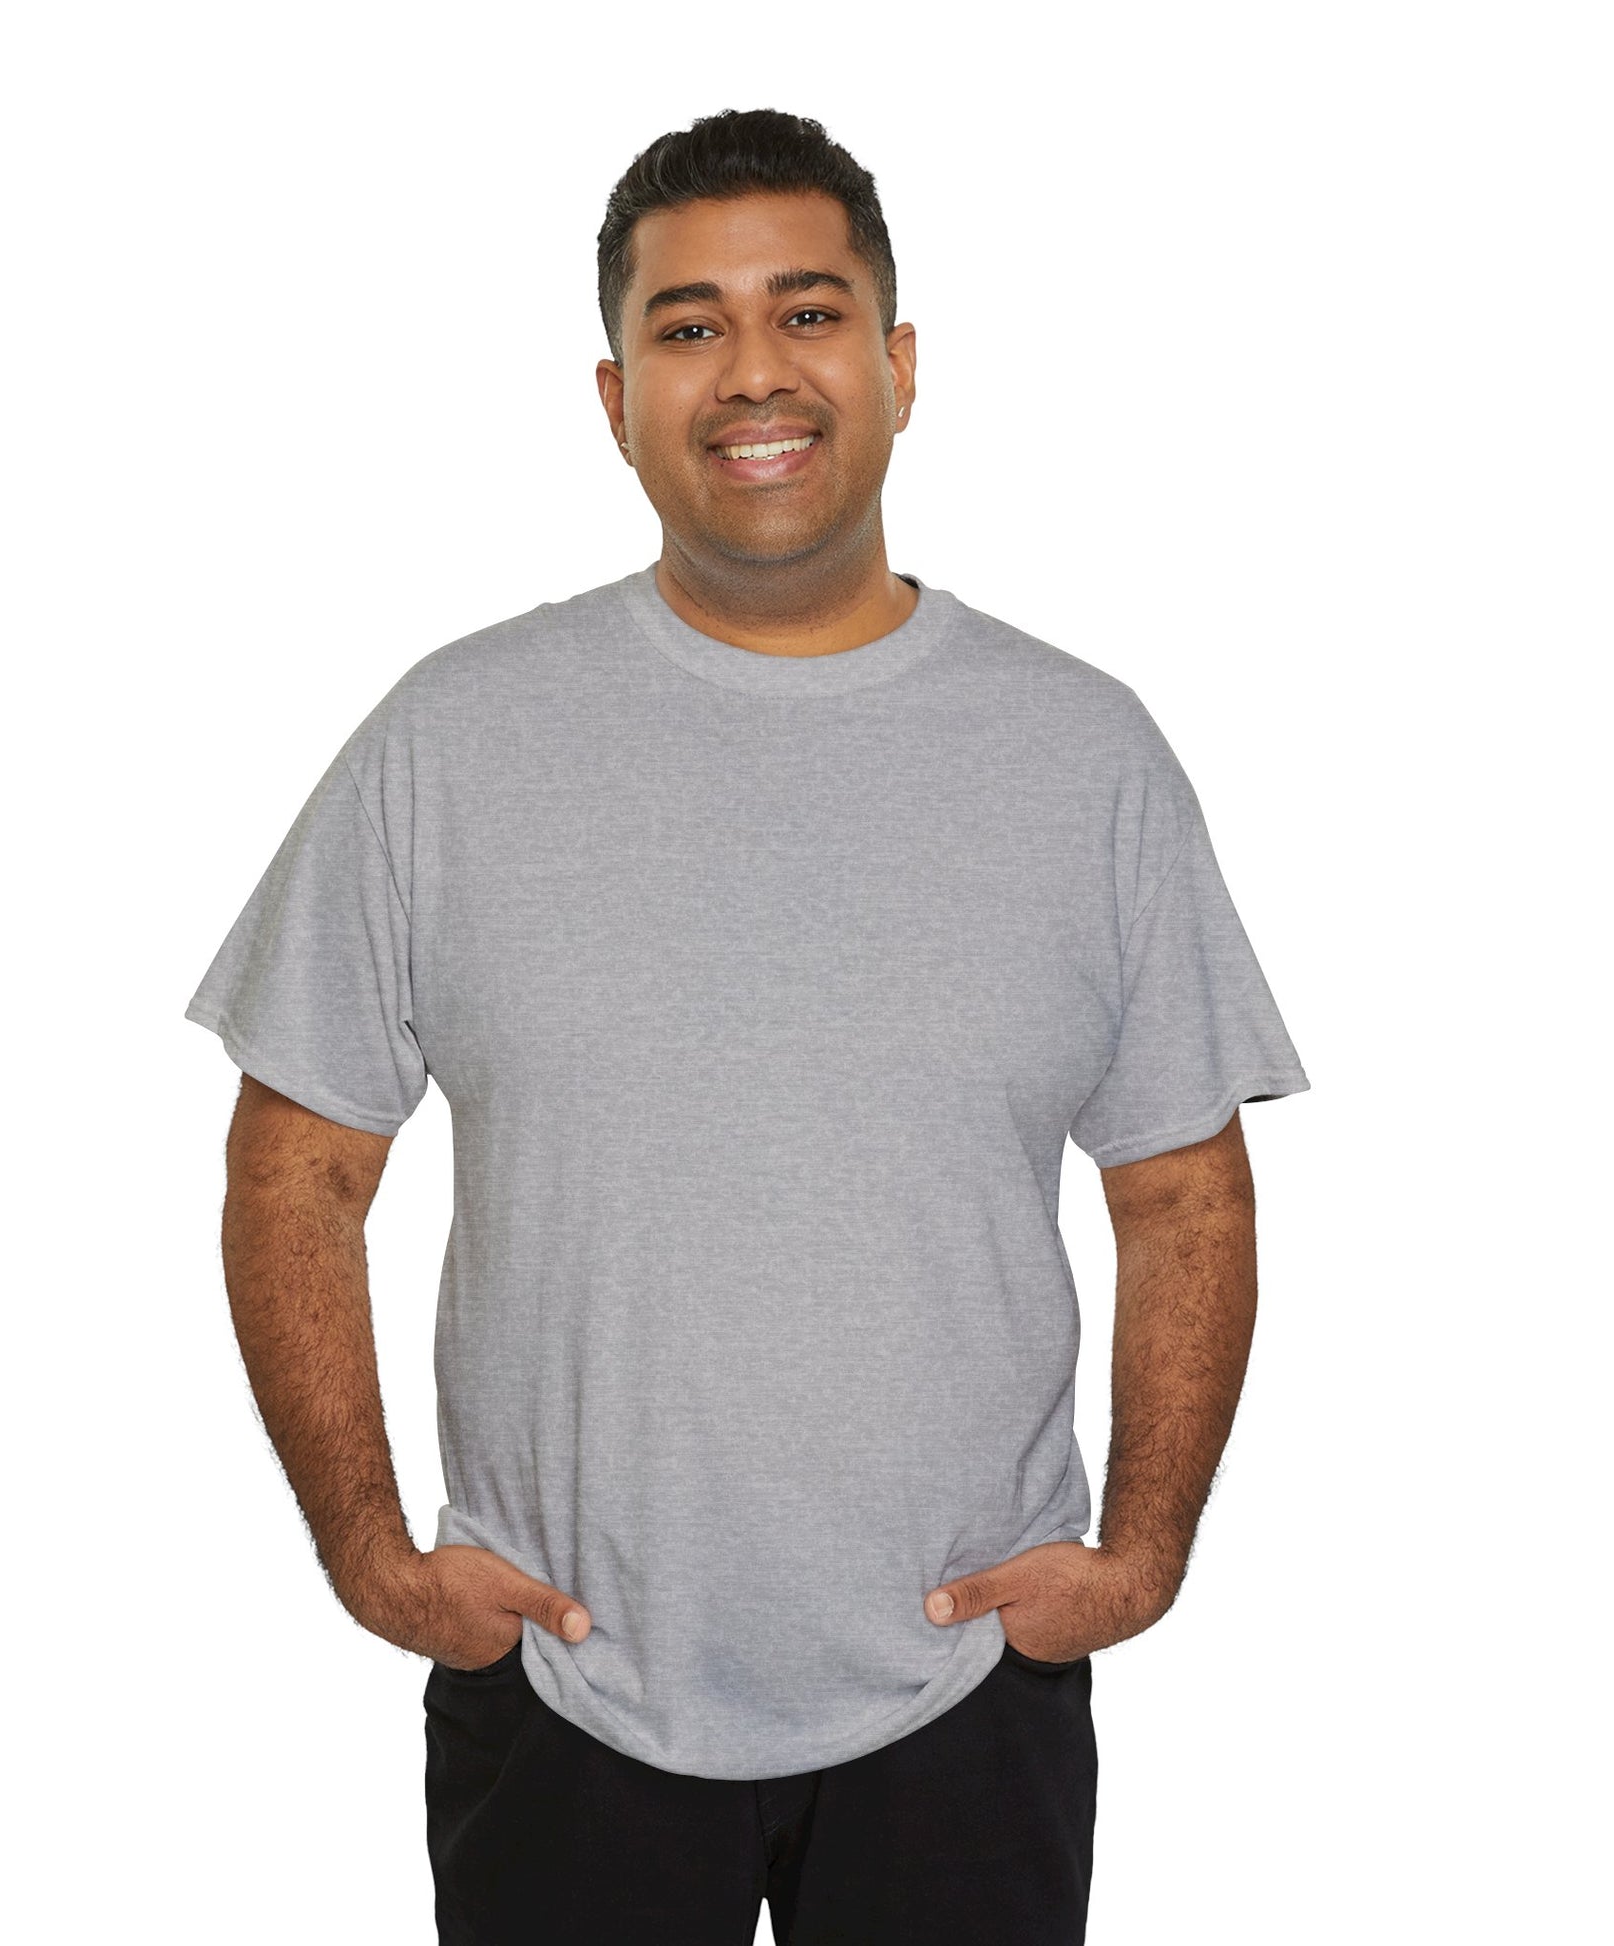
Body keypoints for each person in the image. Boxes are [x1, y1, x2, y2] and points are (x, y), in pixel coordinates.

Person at [185, 106, 1310, 1945]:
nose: (754, 371)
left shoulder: (1082, 754)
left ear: (899, 364)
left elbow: (1183, 1190)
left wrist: (1142, 1553)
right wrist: (373, 1556)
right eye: (689, 326)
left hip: (968, 1677)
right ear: (615, 396)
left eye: (806, 310)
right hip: (564, 1679)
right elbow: (294, 1170)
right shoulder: (450, 742)